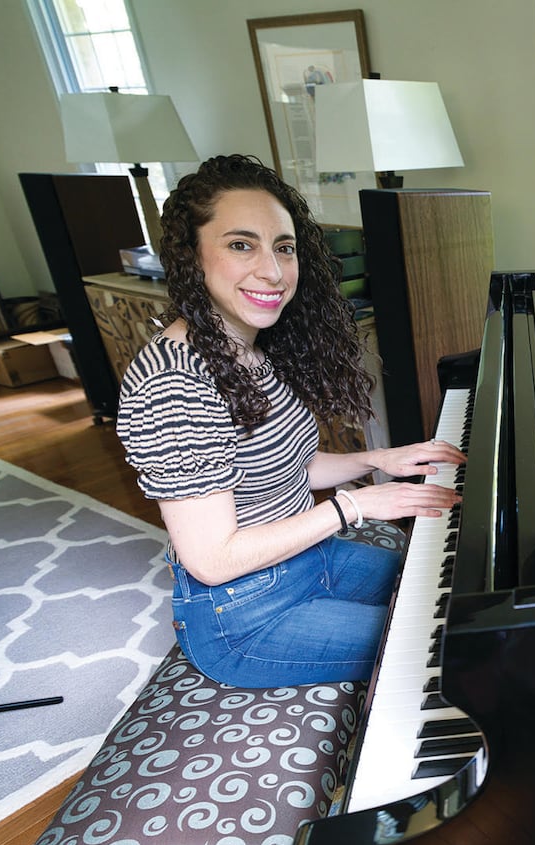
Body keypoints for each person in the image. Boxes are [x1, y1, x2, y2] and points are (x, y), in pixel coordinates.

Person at [116, 154, 463, 688]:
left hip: (308, 562)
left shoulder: (246, 348)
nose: (272, 272)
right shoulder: (175, 384)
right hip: (248, 617)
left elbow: (286, 467)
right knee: (449, 643)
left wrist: (377, 459)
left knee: (456, 591)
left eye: (283, 247)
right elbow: (211, 559)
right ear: (192, 257)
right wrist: (357, 504)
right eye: (240, 245)